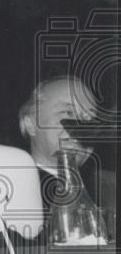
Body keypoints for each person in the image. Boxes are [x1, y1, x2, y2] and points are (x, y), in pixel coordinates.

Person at [18, 74, 114, 211]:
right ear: (31, 124)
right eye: (68, 112)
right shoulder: (4, 190)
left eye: (89, 118)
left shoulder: (110, 193)